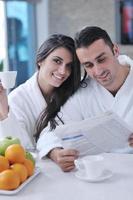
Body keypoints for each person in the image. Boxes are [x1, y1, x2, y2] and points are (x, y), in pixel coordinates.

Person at [37, 26, 133, 172]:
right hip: (96, 176)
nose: (98, 71)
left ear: (115, 50)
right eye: (88, 65)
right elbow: (50, 131)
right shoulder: (83, 91)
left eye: (101, 59)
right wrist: (55, 152)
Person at [0, 34, 81, 151]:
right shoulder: (17, 99)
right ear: (40, 60)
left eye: (69, 65)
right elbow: (18, 148)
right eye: (57, 61)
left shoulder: (74, 93)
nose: (63, 71)